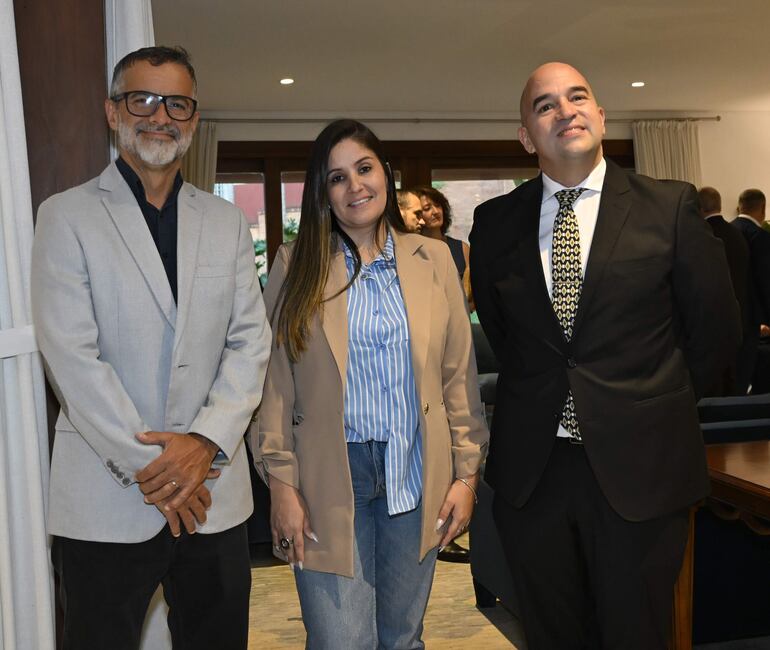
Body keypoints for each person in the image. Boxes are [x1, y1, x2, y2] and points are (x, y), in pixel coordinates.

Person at [470, 62, 740, 649]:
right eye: (545, 105)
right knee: (553, 635)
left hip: (643, 470)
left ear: (599, 116)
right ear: (526, 136)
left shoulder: (668, 207)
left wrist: (647, 404)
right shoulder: (494, 225)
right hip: (533, 477)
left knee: (637, 635)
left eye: (577, 97)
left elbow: (716, 335)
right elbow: (507, 334)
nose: (564, 110)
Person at [30, 46, 271, 650]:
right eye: (142, 99)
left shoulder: (225, 222)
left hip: (214, 497)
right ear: (113, 113)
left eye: (178, 103)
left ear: (193, 119)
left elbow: (249, 343)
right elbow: (73, 361)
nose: (160, 115)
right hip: (105, 498)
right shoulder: (65, 216)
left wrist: (205, 444)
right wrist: (160, 472)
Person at [255, 119, 488, 649]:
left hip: (416, 469)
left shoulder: (435, 262)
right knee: (340, 640)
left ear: (387, 173)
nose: (355, 185)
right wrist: (281, 484)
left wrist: (467, 475)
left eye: (364, 168)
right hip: (328, 475)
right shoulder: (297, 264)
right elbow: (273, 384)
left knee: (403, 638)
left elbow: (457, 376)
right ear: (323, 192)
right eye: (337, 178)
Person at [698, 186, 751, 394]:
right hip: (741, 318)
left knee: (716, 386)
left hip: (712, 321)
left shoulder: (702, 236)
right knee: (736, 383)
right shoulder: (738, 234)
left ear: (699, 208)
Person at [733, 188, 770, 392]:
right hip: (754, 315)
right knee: (751, 369)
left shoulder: (727, 231)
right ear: (763, 208)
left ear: (740, 206)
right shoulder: (760, 237)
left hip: (729, 314)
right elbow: (765, 280)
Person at [415, 186, 474, 310]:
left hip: (459, 322)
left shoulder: (462, 248)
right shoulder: (413, 250)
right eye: (427, 208)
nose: (435, 211)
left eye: (438, 205)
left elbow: (473, 296)